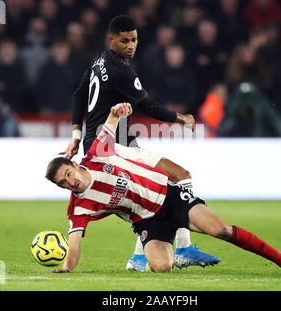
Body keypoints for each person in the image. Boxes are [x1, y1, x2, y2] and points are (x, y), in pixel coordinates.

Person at [46, 102, 281, 275]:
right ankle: (173, 250)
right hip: (147, 221)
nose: (71, 182)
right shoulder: (78, 206)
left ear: (74, 165)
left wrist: (117, 111)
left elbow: (111, 122)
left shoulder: (97, 155)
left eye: (68, 174)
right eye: (63, 183)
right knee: (161, 268)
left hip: (171, 196)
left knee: (220, 230)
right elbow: (75, 240)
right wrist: (68, 266)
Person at [60, 15, 220, 272]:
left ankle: (139, 258)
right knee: (179, 176)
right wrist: (180, 118)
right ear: (112, 40)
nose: (131, 45)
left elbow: (79, 94)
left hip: (109, 143)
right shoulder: (120, 69)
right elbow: (147, 105)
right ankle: (183, 249)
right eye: (124, 41)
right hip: (111, 147)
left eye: (134, 39)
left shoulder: (100, 59)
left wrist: (76, 136)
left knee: (149, 193)